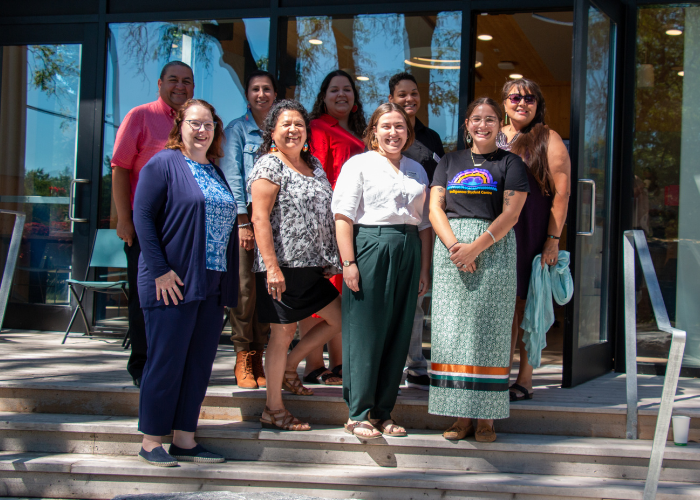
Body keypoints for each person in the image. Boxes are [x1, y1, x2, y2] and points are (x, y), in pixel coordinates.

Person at [133, 98, 238, 466]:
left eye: (209, 124)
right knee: (166, 361)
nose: (202, 130)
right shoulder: (163, 164)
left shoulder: (215, 171)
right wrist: (160, 269)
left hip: (210, 284)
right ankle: (151, 441)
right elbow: (142, 217)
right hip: (172, 281)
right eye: (195, 123)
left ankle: (185, 439)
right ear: (180, 125)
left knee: (198, 364)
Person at [428, 97, 529, 443]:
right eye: (476, 119)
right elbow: (435, 209)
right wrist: (457, 247)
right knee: (453, 333)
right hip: (451, 249)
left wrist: (475, 247)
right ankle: (460, 417)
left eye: (489, 119)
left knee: (491, 332)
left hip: (494, 248)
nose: (482, 125)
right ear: (466, 124)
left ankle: (486, 419)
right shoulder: (449, 161)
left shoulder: (511, 163)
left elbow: (511, 215)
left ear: (498, 124)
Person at [332, 102, 432, 439]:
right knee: (366, 330)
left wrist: (424, 269)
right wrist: (349, 263)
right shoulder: (358, 165)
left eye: (400, 126)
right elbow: (343, 217)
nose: (393, 132)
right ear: (374, 131)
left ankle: (383, 411)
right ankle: (358, 412)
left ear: (408, 131)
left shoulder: (418, 170)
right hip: (371, 246)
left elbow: (425, 226)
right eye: (386, 126)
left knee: (399, 331)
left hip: (410, 250)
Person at [248, 99, 343, 431]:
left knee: (338, 319)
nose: (292, 130)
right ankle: (273, 409)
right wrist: (271, 267)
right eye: (285, 124)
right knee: (282, 332)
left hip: (312, 265)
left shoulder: (314, 164)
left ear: (307, 131)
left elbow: (323, 214)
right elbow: (259, 217)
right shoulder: (269, 165)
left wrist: (330, 255)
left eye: (299, 124)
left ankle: (290, 367)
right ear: (272, 131)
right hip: (283, 266)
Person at [111, 61, 194, 388]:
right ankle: (143, 367)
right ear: (160, 83)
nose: (180, 86)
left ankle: (172, 364)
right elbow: (119, 168)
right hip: (146, 227)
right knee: (145, 299)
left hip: (183, 230)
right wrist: (123, 219)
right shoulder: (140, 116)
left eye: (186, 81)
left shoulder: (192, 123)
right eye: (173, 80)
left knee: (179, 298)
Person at [497, 79, 571, 402]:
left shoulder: (548, 138)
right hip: (495, 231)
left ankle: (524, 379)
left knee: (526, 306)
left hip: (530, 229)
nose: (521, 103)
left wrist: (553, 239)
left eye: (529, 98)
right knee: (501, 306)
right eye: (515, 97)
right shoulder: (492, 134)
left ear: (538, 104)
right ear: (504, 102)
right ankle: (497, 375)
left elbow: (562, 193)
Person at [298, 69, 367, 386]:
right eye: (334, 90)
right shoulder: (316, 129)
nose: (342, 94)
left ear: (355, 99)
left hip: (348, 225)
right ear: (323, 97)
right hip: (323, 224)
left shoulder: (358, 133)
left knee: (338, 294)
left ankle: (338, 364)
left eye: (348, 90)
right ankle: (313, 364)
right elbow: (315, 179)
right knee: (317, 298)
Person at [388, 71, 446, 391]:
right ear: (391, 99)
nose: (409, 99)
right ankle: (393, 363)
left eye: (414, 93)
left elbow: (441, 184)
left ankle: (416, 362)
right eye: (402, 94)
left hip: (424, 231)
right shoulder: (386, 133)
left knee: (417, 300)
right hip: (388, 231)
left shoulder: (432, 138)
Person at [221, 70, 278, 390]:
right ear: (247, 95)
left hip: (274, 227)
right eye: (255, 89)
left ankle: (260, 356)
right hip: (246, 224)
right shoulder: (237, 131)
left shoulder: (280, 132)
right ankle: (244, 356)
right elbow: (232, 178)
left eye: (267, 89)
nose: (261, 94)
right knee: (244, 293)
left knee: (268, 293)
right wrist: (243, 222)